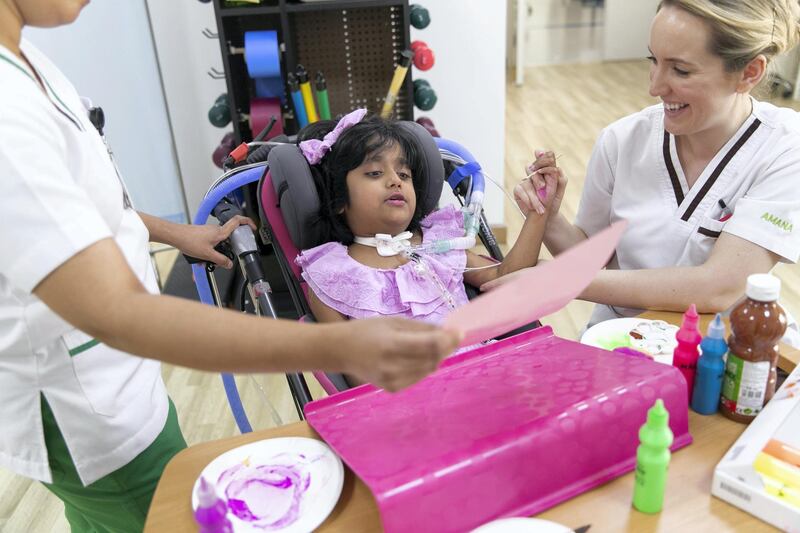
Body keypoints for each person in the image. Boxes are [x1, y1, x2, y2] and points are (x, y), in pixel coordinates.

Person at [0, 1, 460, 531]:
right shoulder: (8, 107)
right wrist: (338, 345)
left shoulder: (29, 58)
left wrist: (170, 232)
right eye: (375, 173)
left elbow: (73, 202)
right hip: (82, 397)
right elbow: (114, 310)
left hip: (119, 382)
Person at [500, 0, 800, 336]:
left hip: (725, 352)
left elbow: (720, 286)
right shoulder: (623, 140)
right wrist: (550, 219)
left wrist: (559, 281)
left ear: (749, 73)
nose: (655, 87)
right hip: (619, 340)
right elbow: (593, 261)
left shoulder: (784, 148)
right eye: (652, 61)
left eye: (681, 70)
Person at [295, 110, 558, 329]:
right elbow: (357, 371)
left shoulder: (438, 245)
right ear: (340, 199)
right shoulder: (330, 277)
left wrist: (538, 211)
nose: (395, 180)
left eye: (404, 174)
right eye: (375, 172)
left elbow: (505, 277)